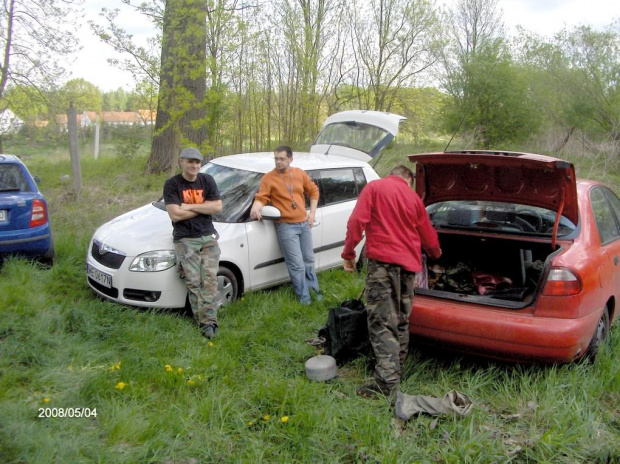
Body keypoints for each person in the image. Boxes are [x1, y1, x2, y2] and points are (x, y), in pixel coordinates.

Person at [341, 164, 441, 400]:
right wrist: (436, 254)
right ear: (408, 180)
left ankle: (386, 383)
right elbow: (428, 234)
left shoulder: (374, 188)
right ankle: (395, 371)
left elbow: (357, 221)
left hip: (382, 266)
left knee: (381, 321)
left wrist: (348, 254)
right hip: (408, 269)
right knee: (401, 321)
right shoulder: (414, 198)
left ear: (392, 174)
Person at [163, 147, 223, 339]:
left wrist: (189, 206)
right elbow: (175, 214)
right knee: (194, 281)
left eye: (197, 162)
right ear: (181, 162)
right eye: (190, 161)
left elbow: (218, 207)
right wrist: (204, 208)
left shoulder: (207, 180)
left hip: (207, 236)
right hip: (185, 238)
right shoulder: (172, 184)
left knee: (210, 280)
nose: (194, 165)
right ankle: (205, 322)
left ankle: (208, 322)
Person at [250, 145, 321, 305]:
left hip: (304, 224)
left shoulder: (299, 173)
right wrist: (255, 208)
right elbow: (261, 197)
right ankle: (305, 299)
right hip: (286, 226)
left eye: (282, 159)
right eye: (276, 158)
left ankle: (315, 292)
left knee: (309, 260)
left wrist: (312, 213)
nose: (278, 162)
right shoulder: (269, 178)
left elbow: (314, 191)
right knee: (296, 265)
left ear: (290, 159)